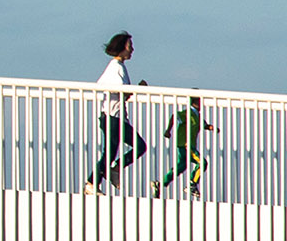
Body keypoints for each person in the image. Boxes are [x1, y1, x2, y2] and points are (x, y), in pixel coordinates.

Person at [84, 31, 147, 194]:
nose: (132, 49)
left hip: (118, 118)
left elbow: (121, 94)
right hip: (112, 118)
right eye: (130, 46)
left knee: (137, 147)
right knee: (113, 152)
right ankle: (92, 182)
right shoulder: (116, 67)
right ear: (122, 47)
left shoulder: (120, 67)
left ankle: (113, 170)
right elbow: (116, 90)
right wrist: (136, 89)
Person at [151, 94, 217, 198]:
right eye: (199, 101)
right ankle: (192, 184)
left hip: (186, 145)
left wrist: (211, 127)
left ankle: (160, 184)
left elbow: (203, 125)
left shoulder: (197, 116)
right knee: (202, 162)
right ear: (194, 102)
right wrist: (168, 130)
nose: (201, 104)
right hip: (186, 145)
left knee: (181, 167)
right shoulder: (188, 113)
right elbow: (174, 116)